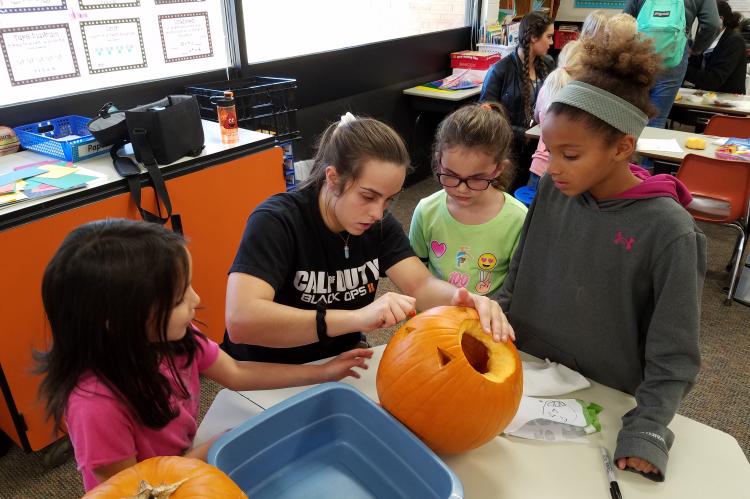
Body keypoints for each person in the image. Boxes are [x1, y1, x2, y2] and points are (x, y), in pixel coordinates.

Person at [496, 31, 706, 481]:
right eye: (550, 151)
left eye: (570, 155)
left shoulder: (669, 232)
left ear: (622, 147)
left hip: (605, 400)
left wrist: (648, 429)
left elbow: (675, 354)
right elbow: (520, 274)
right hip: (525, 378)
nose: (553, 168)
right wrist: (488, 318)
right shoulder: (554, 188)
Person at [36, 219, 374, 491]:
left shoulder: (177, 339)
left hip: (185, 460)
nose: (196, 299)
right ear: (120, 320)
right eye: (180, 297)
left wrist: (323, 372)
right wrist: (210, 451)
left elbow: (238, 373)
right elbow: (135, 489)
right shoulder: (96, 406)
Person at [223, 114, 511, 364]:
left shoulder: (379, 225)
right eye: (368, 196)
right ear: (333, 179)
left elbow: (420, 284)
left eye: (389, 200)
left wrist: (463, 299)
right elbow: (242, 321)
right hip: (265, 372)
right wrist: (356, 318)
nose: (377, 213)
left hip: (339, 363)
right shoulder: (277, 221)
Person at [408, 102, 527, 297]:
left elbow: (515, 288)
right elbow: (414, 274)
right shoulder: (426, 210)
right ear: (439, 161)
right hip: (433, 316)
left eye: (477, 178)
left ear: (498, 169)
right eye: (451, 175)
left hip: (483, 321)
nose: (461, 189)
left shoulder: (517, 219)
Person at [480, 11, 555, 189]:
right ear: (534, 38)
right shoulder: (500, 70)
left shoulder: (548, 63)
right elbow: (486, 114)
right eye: (549, 37)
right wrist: (521, 133)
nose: (552, 42)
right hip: (509, 147)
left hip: (538, 147)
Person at [624, 0, 720, 128]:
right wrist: (696, 48)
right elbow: (712, 25)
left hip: (640, 54)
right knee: (657, 117)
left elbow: (624, 18)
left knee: (632, 114)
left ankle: (628, 146)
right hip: (674, 55)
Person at [529, 39, 583, 186]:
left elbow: (538, 118)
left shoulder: (547, 87)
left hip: (538, 166)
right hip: (565, 170)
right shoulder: (583, 96)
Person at [684, 1, 747, 94]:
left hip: (728, 101)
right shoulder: (705, 39)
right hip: (704, 96)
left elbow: (714, 80)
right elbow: (693, 65)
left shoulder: (735, 42)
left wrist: (680, 68)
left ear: (720, 20)